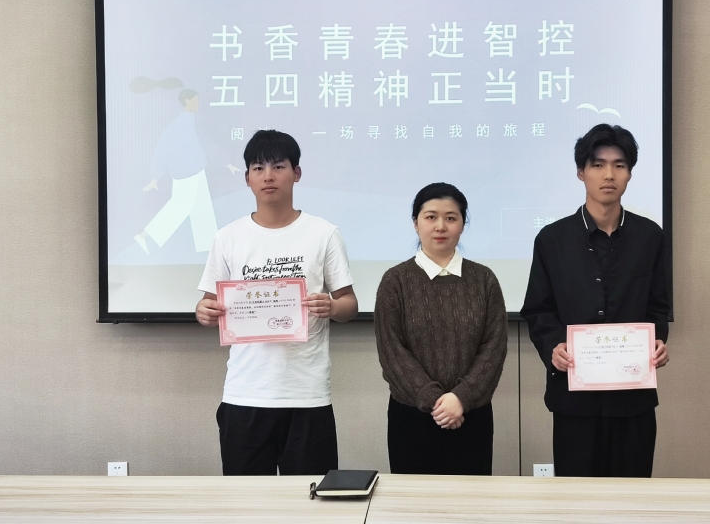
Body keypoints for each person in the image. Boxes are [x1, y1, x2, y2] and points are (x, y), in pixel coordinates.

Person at [195, 129, 358, 475]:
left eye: (278, 166)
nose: (268, 176)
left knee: (310, 497)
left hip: (307, 394)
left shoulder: (323, 233)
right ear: (247, 178)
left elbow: (349, 303)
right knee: (247, 499)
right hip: (245, 393)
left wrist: (332, 307)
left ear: (296, 173)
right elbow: (208, 304)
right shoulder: (227, 237)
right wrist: (204, 312)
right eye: (258, 168)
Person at [520, 123, 670, 478]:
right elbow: (538, 309)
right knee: (577, 498)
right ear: (581, 172)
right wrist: (554, 347)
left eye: (619, 165)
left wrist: (658, 341)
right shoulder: (552, 239)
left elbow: (658, 306)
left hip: (632, 398)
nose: (609, 175)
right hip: (574, 399)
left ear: (630, 173)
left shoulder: (650, 236)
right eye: (598, 165)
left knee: (632, 495)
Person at [374, 182, 508, 476]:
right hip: (412, 418)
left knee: (471, 500)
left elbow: (494, 347)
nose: (440, 226)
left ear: (462, 224)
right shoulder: (395, 281)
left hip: (470, 415)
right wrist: (435, 401)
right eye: (431, 217)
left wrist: (461, 398)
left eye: (451, 218)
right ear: (416, 223)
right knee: (415, 501)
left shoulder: (484, 280)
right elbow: (392, 351)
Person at [135, 89, 219, 255]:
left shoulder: (192, 122)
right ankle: (146, 236)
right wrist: (156, 176)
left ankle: (210, 249)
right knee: (181, 206)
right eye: (195, 100)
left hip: (196, 170)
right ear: (187, 101)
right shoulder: (180, 124)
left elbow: (202, 144)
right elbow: (163, 148)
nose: (197, 103)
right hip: (186, 172)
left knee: (202, 209)